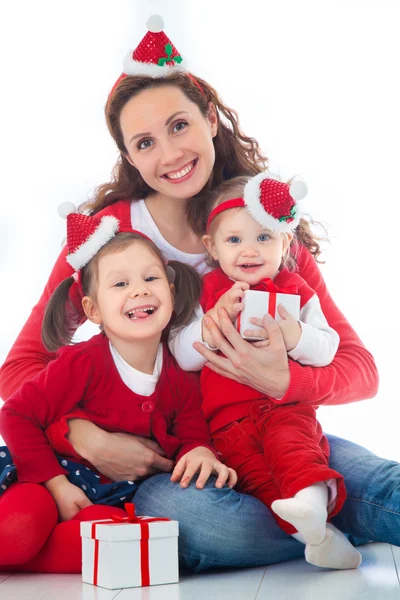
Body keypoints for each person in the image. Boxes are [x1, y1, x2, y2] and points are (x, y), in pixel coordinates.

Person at [0, 15, 397, 575]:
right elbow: (22, 368)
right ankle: (319, 515)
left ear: (211, 119)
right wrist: (80, 436)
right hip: (175, 463)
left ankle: (317, 507)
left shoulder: (265, 232)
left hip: (273, 427)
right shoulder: (109, 241)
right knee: (205, 520)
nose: (169, 154)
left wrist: (286, 380)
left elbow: (361, 369)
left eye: (180, 125)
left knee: (381, 483)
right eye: (145, 142)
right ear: (130, 157)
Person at [0, 206, 236, 568]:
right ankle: (19, 548)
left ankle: (27, 557)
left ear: (171, 294)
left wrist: (200, 451)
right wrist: (56, 484)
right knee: (20, 526)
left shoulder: (179, 375)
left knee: (122, 544)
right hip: (46, 479)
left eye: (151, 279)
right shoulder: (81, 363)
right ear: (93, 310)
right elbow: (16, 413)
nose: (139, 291)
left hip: (106, 499)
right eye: (121, 284)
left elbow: (192, 432)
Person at [171, 171, 362, 569]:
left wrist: (295, 335)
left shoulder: (296, 289)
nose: (250, 250)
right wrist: (209, 324)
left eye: (263, 238)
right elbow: (181, 356)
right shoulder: (209, 293)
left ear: (285, 243)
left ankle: (311, 505)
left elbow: (328, 349)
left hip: (283, 408)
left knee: (295, 454)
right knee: (260, 483)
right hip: (227, 425)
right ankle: (319, 536)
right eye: (234, 239)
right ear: (212, 247)